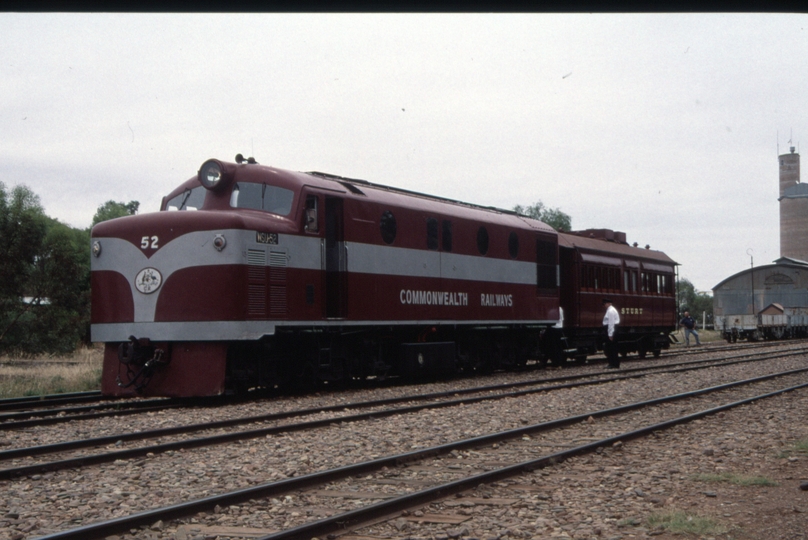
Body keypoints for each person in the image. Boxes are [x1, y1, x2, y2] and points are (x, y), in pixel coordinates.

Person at [602, 298, 620, 368]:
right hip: (613, 329)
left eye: (605, 303)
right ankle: (614, 363)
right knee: (613, 347)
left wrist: (610, 334)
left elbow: (611, 323)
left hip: (612, 330)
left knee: (611, 347)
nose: (604, 305)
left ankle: (613, 364)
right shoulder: (610, 310)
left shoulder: (610, 311)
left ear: (609, 303)